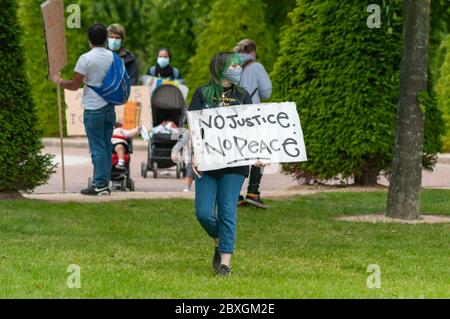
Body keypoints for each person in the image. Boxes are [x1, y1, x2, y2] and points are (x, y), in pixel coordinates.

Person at [189, 52, 262, 276]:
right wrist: (194, 153)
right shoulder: (202, 93)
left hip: (235, 164)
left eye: (238, 65)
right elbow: (193, 126)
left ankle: (225, 263)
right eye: (233, 65)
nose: (237, 69)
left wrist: (258, 151)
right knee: (203, 213)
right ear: (221, 67)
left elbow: (253, 128)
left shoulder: (243, 95)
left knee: (228, 209)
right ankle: (219, 241)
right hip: (208, 162)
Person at [52, 23, 115, 196]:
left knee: (97, 147)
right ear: (106, 39)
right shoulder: (113, 57)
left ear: (89, 40)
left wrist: (59, 81)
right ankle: (104, 181)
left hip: (94, 108)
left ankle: (99, 185)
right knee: (107, 144)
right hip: (110, 107)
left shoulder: (86, 59)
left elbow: (74, 85)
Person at [233, 39, 273, 209]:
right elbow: (267, 92)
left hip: (232, 115)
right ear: (253, 52)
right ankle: (253, 192)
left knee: (235, 153)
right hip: (252, 116)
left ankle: (234, 195)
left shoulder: (230, 65)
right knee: (260, 151)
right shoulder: (256, 67)